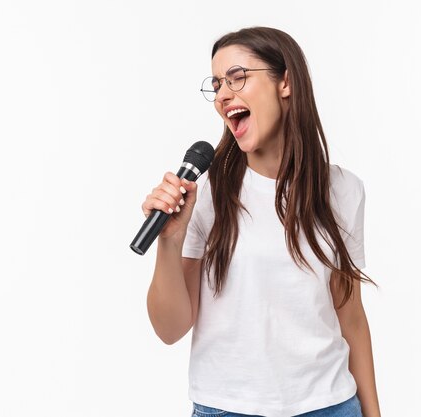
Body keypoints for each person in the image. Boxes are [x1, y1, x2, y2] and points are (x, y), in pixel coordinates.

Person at [143, 27, 381, 417]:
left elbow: (350, 317)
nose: (222, 94)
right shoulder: (206, 194)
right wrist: (170, 240)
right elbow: (169, 329)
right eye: (217, 84)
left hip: (331, 406)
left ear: (285, 82)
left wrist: (373, 414)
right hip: (227, 408)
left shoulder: (343, 190)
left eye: (237, 77)